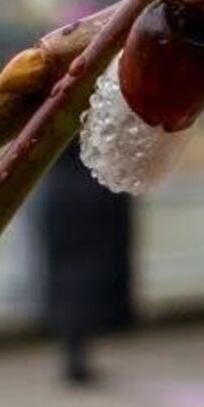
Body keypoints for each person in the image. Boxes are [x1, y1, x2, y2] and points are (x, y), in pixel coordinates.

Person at [34, 148, 136, 386]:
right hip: (98, 190)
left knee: (67, 276)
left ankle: (74, 350)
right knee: (86, 274)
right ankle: (78, 351)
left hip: (63, 196)